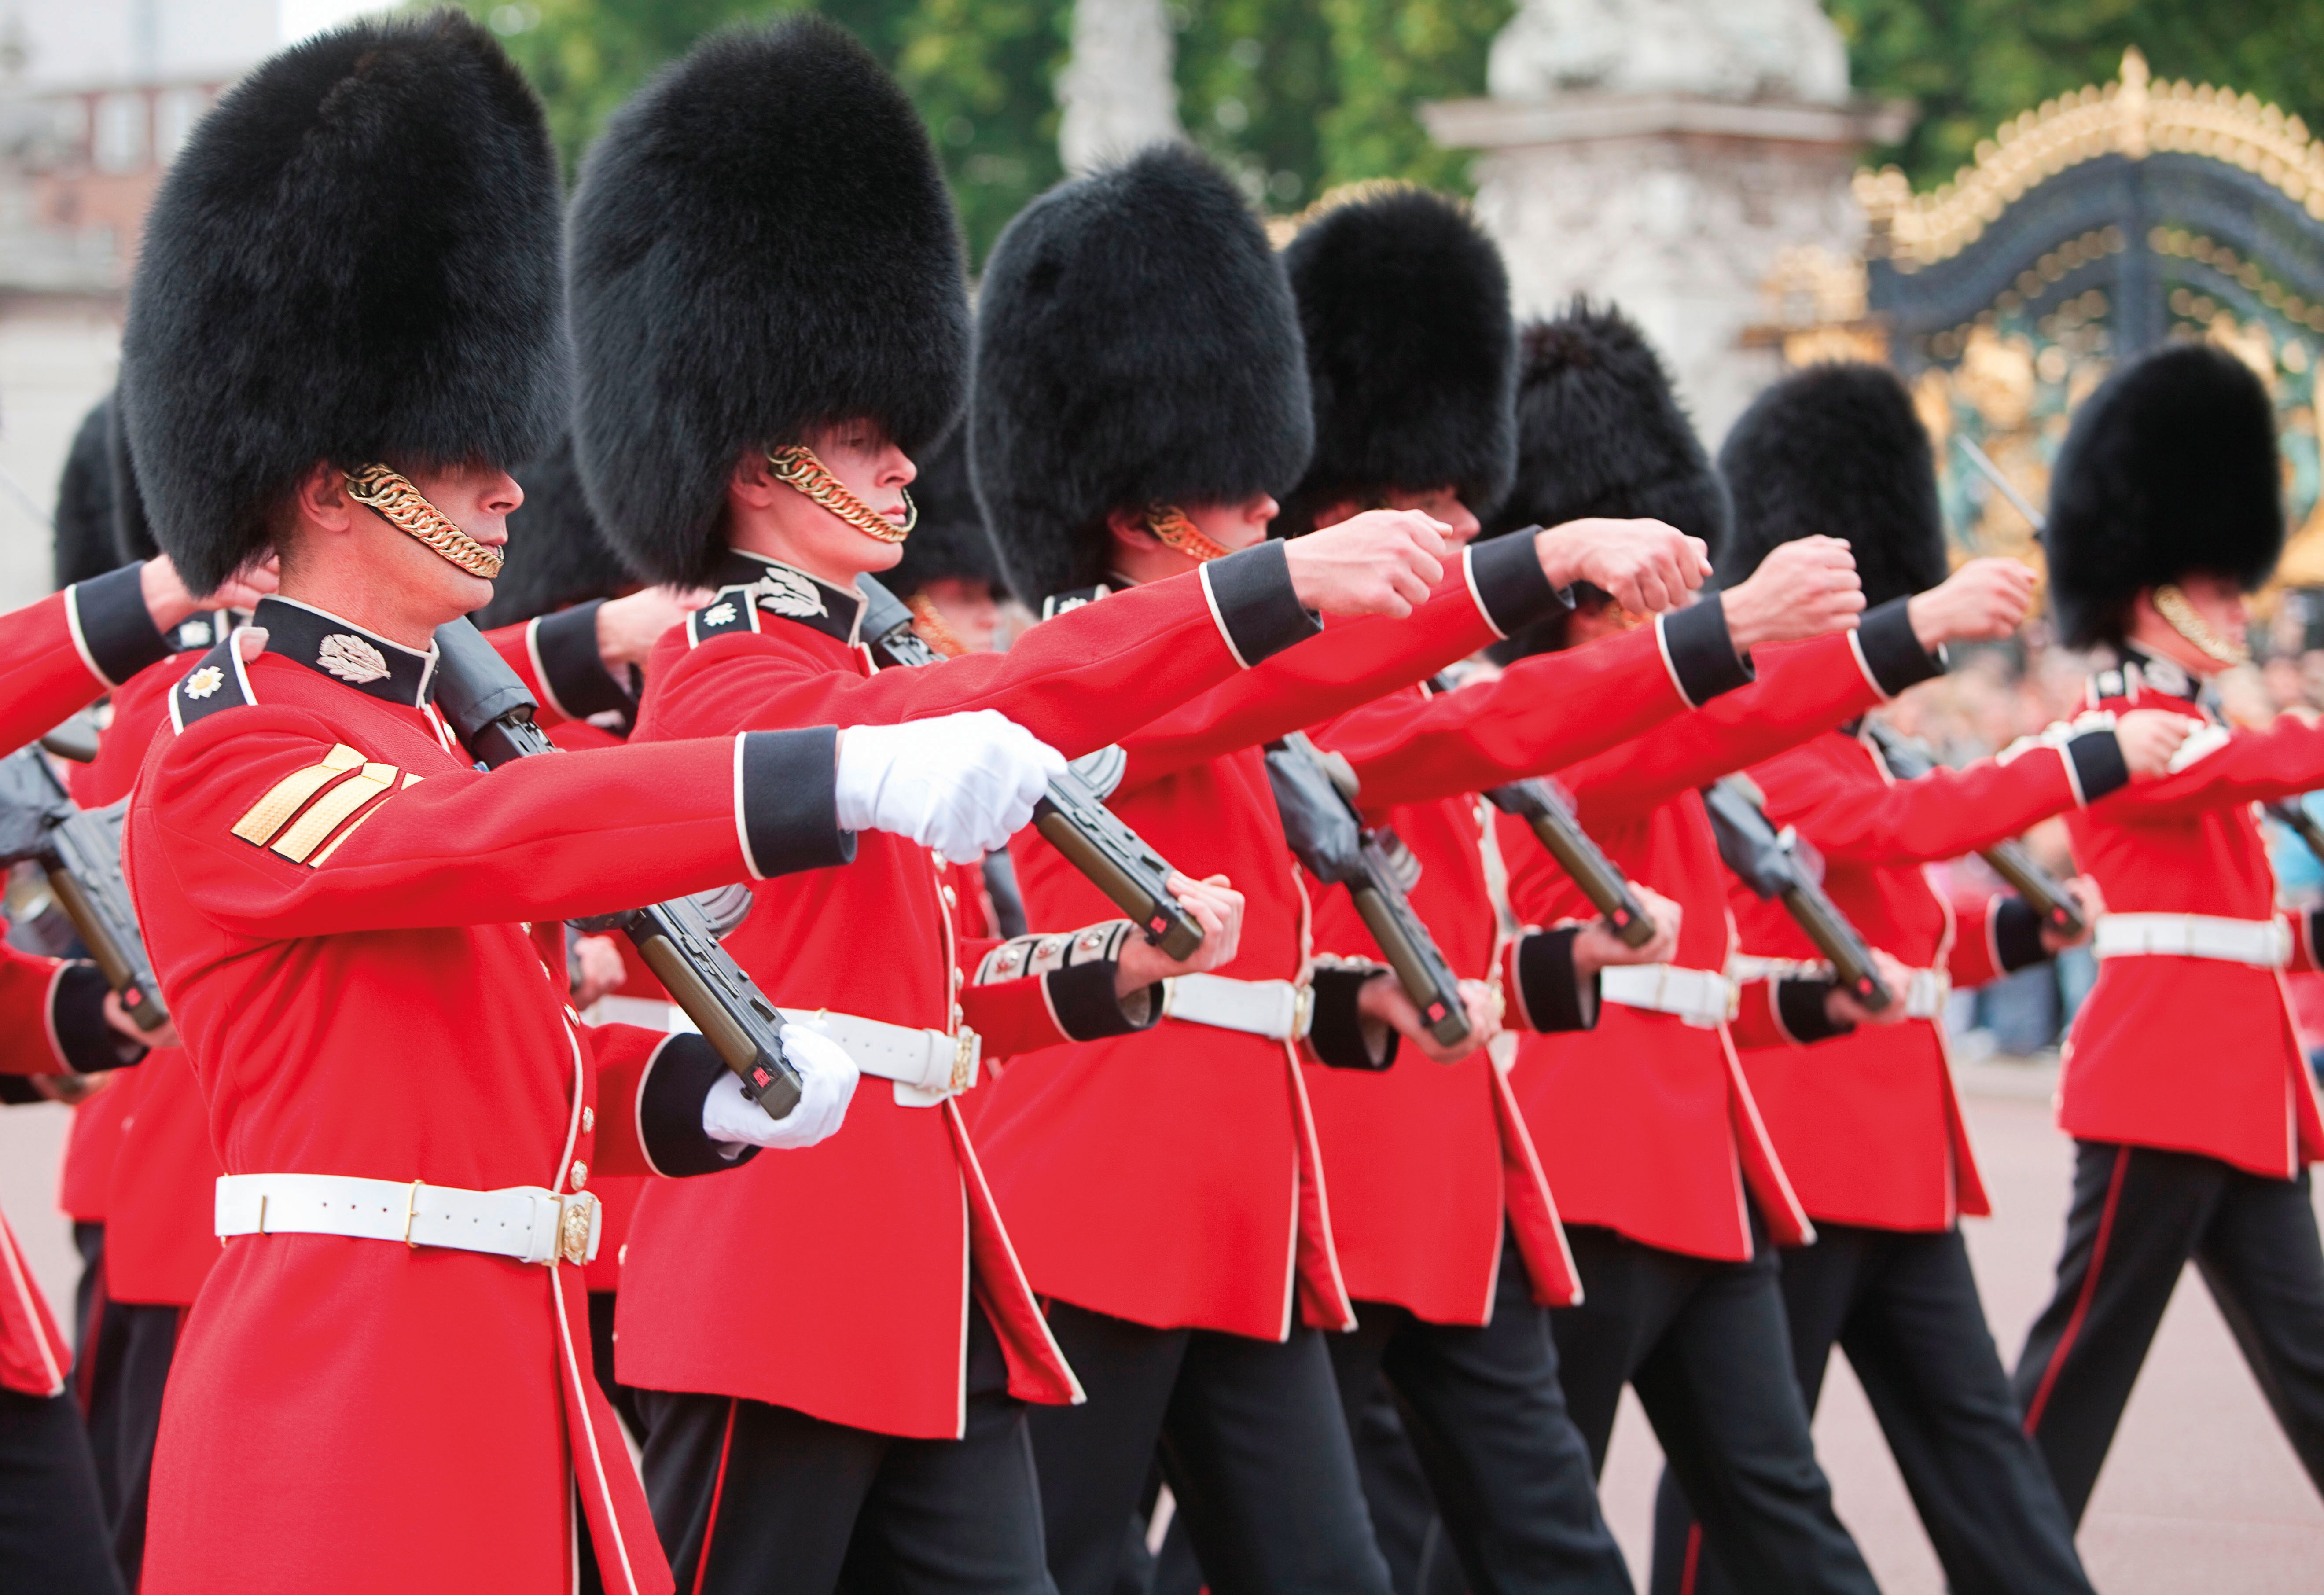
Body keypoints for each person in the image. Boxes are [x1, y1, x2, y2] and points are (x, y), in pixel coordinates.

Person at [111, 16, 1056, 1593]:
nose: (512, 485)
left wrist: (691, 1098)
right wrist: (837, 772)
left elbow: (489, 1080)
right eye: (460, 451)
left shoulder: (428, 735)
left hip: (518, 1392)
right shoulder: (231, 743)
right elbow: (486, 851)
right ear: (332, 482)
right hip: (338, 1423)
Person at [565, 23, 1425, 1595]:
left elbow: (936, 996)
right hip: (780, 1281)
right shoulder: (725, 679)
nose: (906, 467)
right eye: (862, 441)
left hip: (925, 1279)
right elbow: (973, 707)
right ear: (760, 462)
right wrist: (1268, 586)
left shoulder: (870, 651)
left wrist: (1114, 975)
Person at [964, 153, 1711, 1595]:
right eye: (1243, 494)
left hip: (1251, 1216)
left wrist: (1367, 1003)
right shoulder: (1093, 675)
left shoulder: (1228, 678)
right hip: (1102, 1207)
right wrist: (1544, 557)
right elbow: (1452, 709)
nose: (1270, 510)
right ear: (1141, 508)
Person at [1484, 309, 2042, 1595]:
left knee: (1780, 1512)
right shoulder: (1559, 730)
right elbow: (1732, 720)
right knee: (1514, 1528)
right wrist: (1906, 626)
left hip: (1701, 1172)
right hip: (1591, 1172)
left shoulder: (1663, 721)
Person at [1645, 362, 2187, 1595]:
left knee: (1978, 1455)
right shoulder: (1766, 713)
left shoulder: (1856, 731)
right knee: (1748, 1463)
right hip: (1803, 1147)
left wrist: (2017, 939)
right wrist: (2077, 758)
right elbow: (1899, 836)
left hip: (1898, 1154)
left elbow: (1898, 916)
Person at [2011, 342, 2324, 1522]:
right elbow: (2237, 771)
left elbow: (2232, 922)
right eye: (2225, 587)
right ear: (2156, 597)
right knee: (2082, 1361)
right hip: (2160, 1086)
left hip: (2243, 1092)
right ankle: (2010, 1555)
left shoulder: (2191, 723)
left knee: (2314, 1364)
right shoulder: (2124, 731)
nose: (2242, 609)